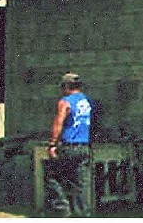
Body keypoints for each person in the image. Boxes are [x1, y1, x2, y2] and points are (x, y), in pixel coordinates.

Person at [45, 72, 93, 217]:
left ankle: (62, 210)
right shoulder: (87, 101)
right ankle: (82, 214)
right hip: (84, 146)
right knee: (81, 184)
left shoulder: (65, 102)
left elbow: (58, 123)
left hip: (69, 146)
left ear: (66, 86)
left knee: (52, 176)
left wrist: (52, 144)